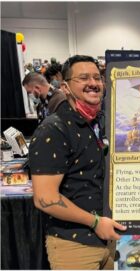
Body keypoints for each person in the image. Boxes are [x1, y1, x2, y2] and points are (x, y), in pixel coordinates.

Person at [28, 55, 126, 269]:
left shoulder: (99, 123)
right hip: (73, 246)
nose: (93, 83)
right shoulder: (54, 129)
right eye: (83, 78)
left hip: (107, 239)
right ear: (65, 87)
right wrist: (95, 222)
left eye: (97, 77)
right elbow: (45, 198)